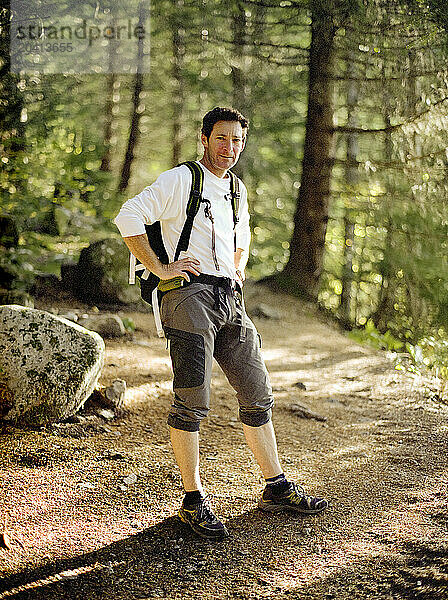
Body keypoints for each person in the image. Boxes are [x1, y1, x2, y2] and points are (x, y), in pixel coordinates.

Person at [114, 106, 328, 540]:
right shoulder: (180, 180)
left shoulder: (236, 190)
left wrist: (237, 267)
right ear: (204, 138)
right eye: (221, 138)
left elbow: (241, 239)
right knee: (192, 400)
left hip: (230, 298)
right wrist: (160, 268)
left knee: (257, 391)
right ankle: (192, 499)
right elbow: (128, 217)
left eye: (237, 140)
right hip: (188, 297)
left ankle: (275, 486)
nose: (229, 148)